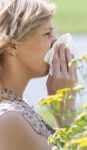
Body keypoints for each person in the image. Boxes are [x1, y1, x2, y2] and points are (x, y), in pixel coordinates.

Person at [0, 0, 78, 149]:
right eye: (47, 34)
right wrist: (65, 108)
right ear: (12, 46)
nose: (56, 42)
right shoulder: (9, 118)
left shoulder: (21, 106)